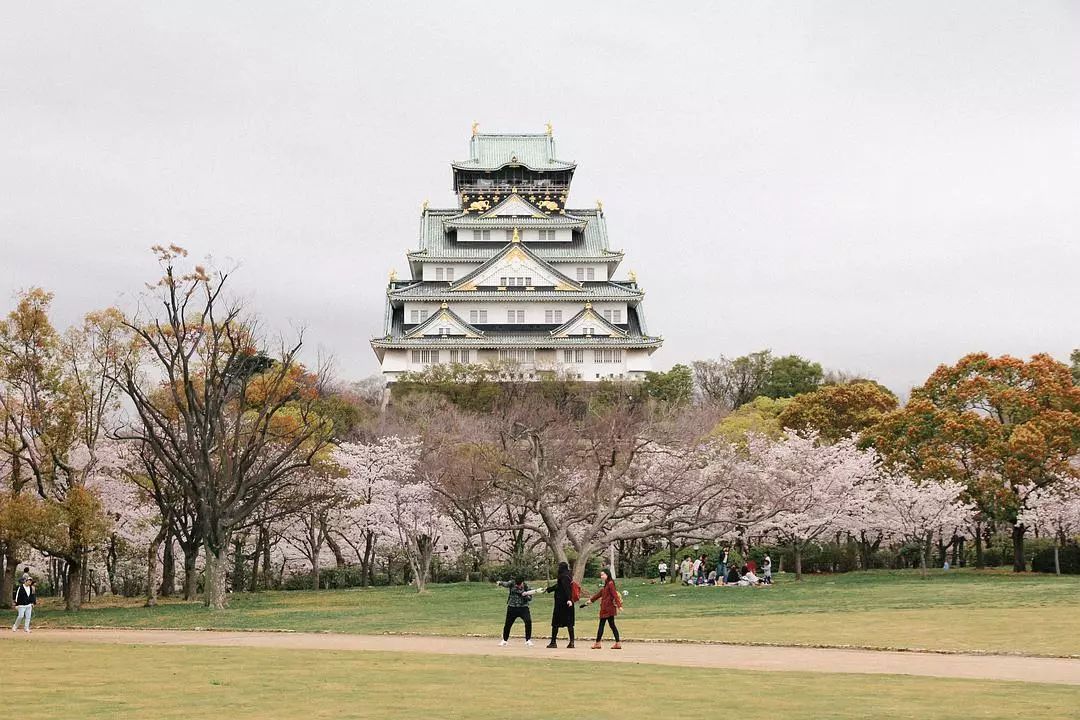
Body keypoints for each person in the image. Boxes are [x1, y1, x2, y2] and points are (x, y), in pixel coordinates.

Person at [582, 568, 623, 649]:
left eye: (603, 574)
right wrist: (589, 601)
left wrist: (619, 605)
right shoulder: (607, 585)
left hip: (607, 609)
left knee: (602, 625)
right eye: (601, 575)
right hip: (607, 608)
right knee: (612, 625)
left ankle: (598, 643)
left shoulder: (610, 584)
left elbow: (615, 595)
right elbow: (599, 594)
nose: (601, 576)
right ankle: (617, 643)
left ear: (607, 575)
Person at [495, 576, 539, 646]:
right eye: (516, 584)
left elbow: (530, 598)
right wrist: (500, 583)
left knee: (528, 621)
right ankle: (504, 640)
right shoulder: (512, 583)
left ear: (522, 582)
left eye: (519, 584)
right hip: (512, 607)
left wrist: (525, 595)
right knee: (508, 624)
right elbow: (505, 584)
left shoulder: (526, 586)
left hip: (523, 608)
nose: (517, 585)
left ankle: (528, 640)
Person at [544, 561, 575, 648]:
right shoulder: (568, 575)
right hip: (568, 603)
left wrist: (568, 599)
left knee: (555, 623)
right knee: (569, 623)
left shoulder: (564, 576)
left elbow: (566, 588)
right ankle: (571, 642)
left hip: (562, 603)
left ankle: (553, 642)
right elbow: (559, 586)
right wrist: (549, 589)